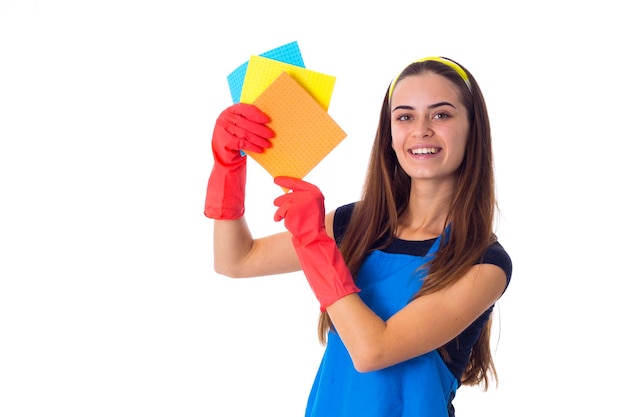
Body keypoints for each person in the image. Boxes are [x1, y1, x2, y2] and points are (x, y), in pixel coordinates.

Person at [204, 56, 513, 417]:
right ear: (391, 135)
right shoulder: (358, 224)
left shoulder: (483, 262)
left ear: (472, 128)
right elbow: (235, 260)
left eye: (441, 114)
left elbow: (372, 351)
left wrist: (314, 243)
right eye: (405, 116)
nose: (421, 129)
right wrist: (228, 165)